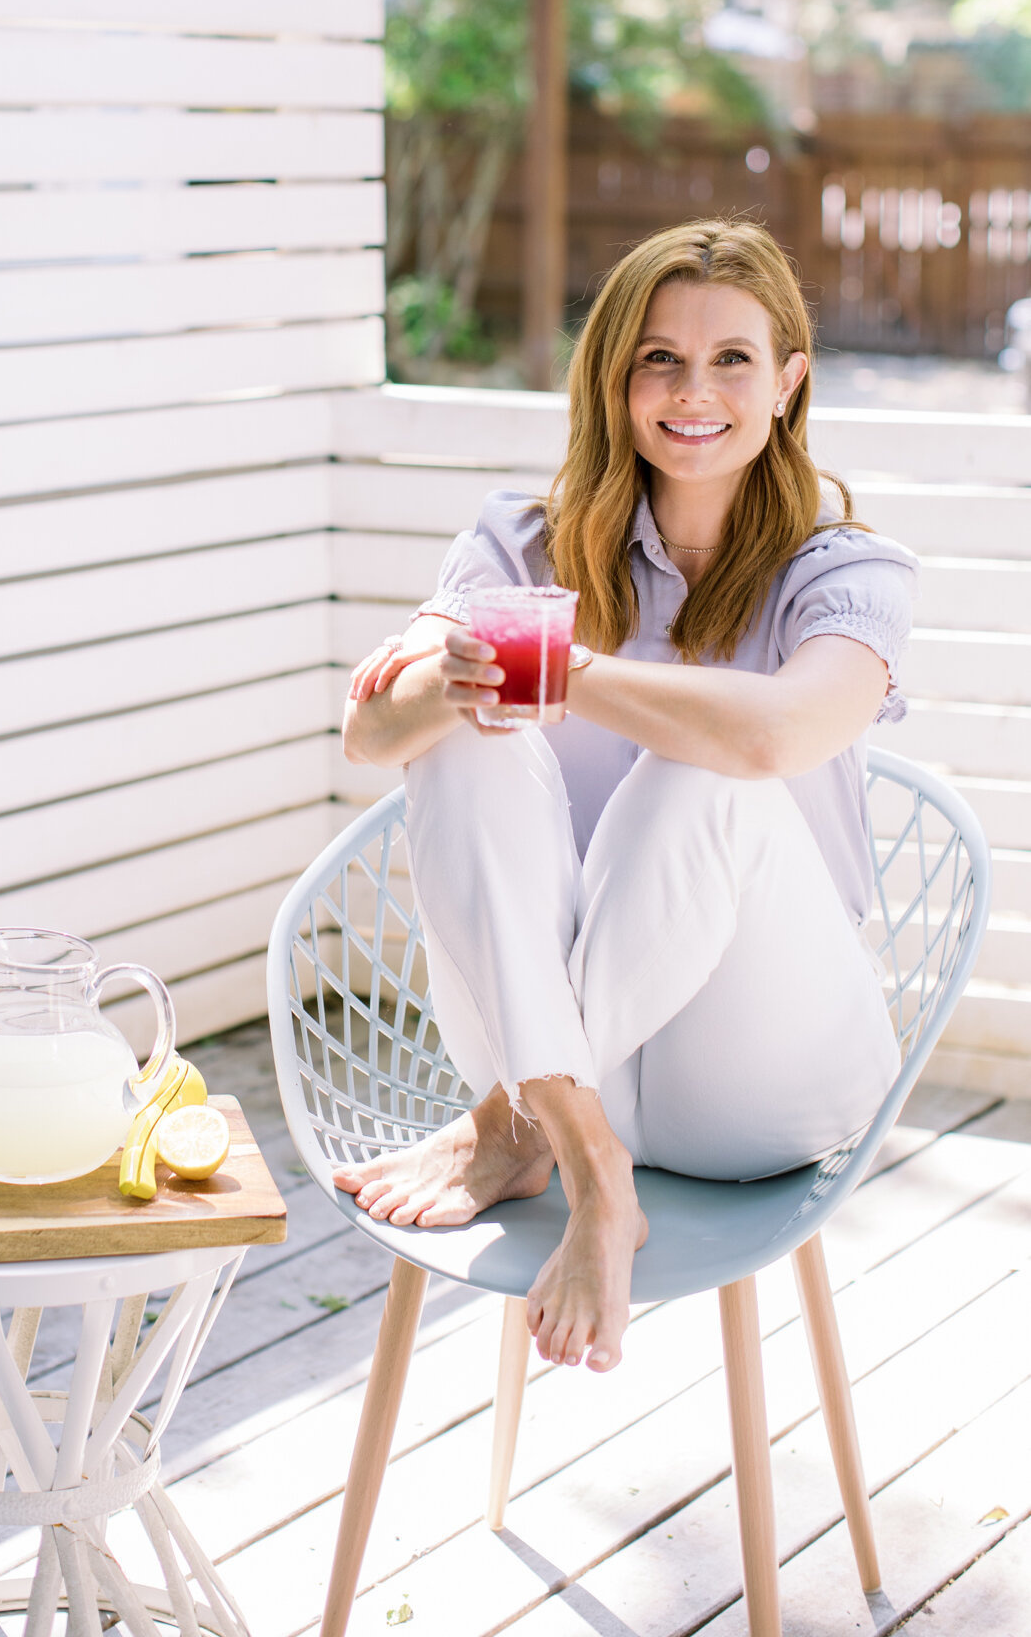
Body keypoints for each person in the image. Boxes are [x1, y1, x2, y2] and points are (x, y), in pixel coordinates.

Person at [335, 221, 915, 1379]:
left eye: (732, 360)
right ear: (614, 376)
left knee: (711, 752)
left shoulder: (844, 567)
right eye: (658, 358)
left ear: (789, 381)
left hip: (763, 1074)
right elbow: (372, 734)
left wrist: (569, 673)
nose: (692, 391)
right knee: (461, 738)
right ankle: (588, 1159)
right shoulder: (521, 539)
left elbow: (782, 732)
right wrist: (447, 683)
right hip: (586, 1077)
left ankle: (513, 1122)